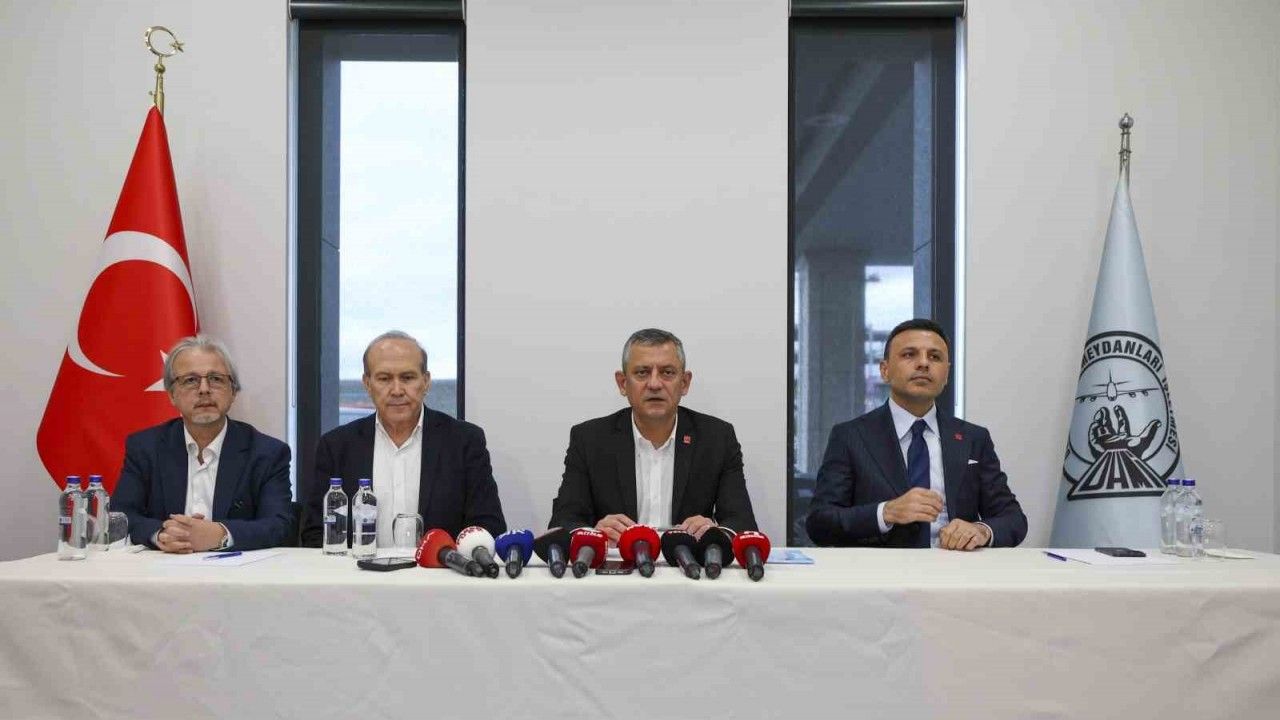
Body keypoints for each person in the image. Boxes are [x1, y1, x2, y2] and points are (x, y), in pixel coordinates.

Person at [806, 318, 1027, 550]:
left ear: (946, 374)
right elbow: (820, 522)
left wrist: (981, 530)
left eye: (934, 357)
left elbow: (1013, 519)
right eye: (909, 354)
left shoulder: (973, 438)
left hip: (956, 565)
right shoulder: (851, 436)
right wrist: (886, 512)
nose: (923, 363)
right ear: (885, 370)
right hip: (881, 568)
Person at [548, 328, 757, 543]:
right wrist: (591, 533)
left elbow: (742, 523)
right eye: (642, 373)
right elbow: (563, 521)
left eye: (667, 372)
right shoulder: (589, 439)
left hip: (687, 561)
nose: (655, 384)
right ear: (623, 383)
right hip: (617, 561)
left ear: (684, 383)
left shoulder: (717, 439)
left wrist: (716, 533)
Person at [299, 331, 505, 547]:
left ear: (426, 382)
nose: (397, 390)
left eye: (407, 378)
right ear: (367, 383)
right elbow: (315, 534)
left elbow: (488, 528)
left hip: (438, 568)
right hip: (357, 569)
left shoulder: (464, 442)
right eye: (384, 378)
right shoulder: (336, 446)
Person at [114, 335, 293, 553]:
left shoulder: (267, 453)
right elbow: (121, 516)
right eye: (190, 380)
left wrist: (220, 534)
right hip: (163, 568)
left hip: (235, 571)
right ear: (171, 395)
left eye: (216, 379)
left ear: (233, 391)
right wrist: (161, 534)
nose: (204, 389)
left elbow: (279, 525)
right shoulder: (145, 448)